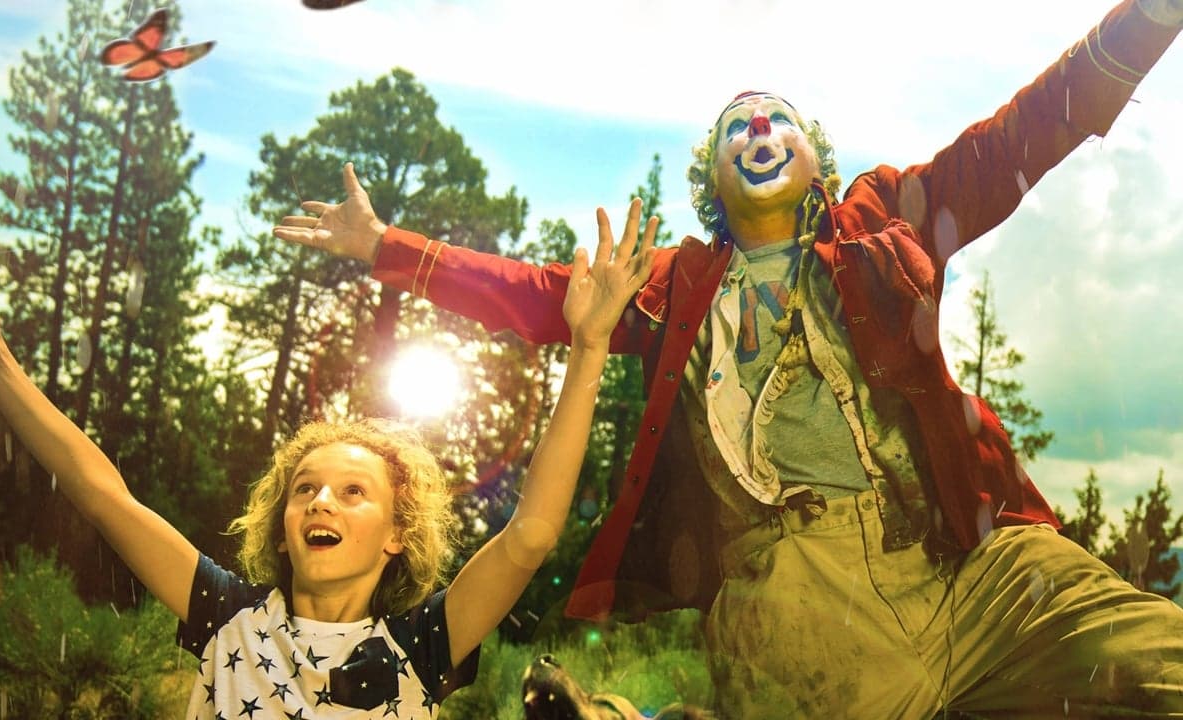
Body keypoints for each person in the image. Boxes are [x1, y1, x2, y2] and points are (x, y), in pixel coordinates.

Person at [274, 1, 1183, 717]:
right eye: (736, 128)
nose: (757, 131)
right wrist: (387, 246)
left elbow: (1019, 138)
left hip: (974, 567)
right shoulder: (673, 285)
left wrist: (1148, 16)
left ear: (815, 164)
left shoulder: (886, 218)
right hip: (800, 601)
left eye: (778, 122)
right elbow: (534, 294)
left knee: (1157, 667)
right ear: (713, 178)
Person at [0, 200, 657, 719]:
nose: (322, 502)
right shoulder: (226, 619)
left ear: (399, 532)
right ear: (283, 516)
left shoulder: (423, 647)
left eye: (353, 492)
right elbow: (104, 495)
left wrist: (589, 346)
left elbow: (530, 533)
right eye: (306, 489)